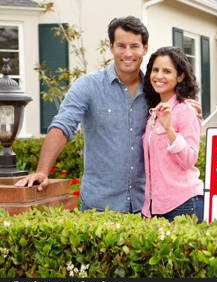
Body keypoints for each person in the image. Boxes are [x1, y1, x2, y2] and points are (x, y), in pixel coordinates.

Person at [15, 16, 201, 214]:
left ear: (145, 48)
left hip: (144, 206)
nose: (128, 53)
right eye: (121, 45)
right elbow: (63, 125)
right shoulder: (88, 86)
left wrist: (188, 106)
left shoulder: (155, 90)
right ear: (111, 46)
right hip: (99, 205)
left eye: (134, 46)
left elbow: (178, 114)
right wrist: (43, 171)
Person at [141, 47, 204, 222]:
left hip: (183, 203)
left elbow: (189, 159)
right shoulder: (153, 113)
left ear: (180, 76)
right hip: (154, 207)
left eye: (167, 71)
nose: (159, 76)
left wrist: (169, 129)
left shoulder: (186, 110)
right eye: (155, 70)